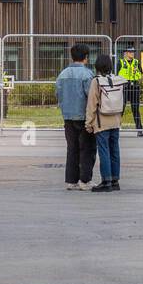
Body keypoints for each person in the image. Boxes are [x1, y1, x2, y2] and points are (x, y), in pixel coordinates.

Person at [56, 43, 96, 190]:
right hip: (84, 117)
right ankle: (85, 180)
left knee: (71, 148)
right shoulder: (88, 75)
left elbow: (58, 95)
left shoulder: (63, 74)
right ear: (86, 58)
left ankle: (71, 181)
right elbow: (91, 97)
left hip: (68, 117)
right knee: (87, 148)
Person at [86, 54, 125, 193]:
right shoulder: (118, 80)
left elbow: (92, 104)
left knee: (104, 151)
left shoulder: (96, 82)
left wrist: (88, 123)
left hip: (101, 122)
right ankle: (115, 181)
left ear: (97, 66)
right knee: (115, 150)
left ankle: (106, 181)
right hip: (115, 121)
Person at [117, 48, 143, 137]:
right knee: (121, 109)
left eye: (133, 52)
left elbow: (141, 73)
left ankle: (139, 129)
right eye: (130, 52)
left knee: (135, 109)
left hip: (134, 87)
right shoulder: (120, 62)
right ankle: (116, 128)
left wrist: (135, 75)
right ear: (126, 53)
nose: (132, 53)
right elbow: (116, 74)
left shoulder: (136, 62)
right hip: (124, 87)